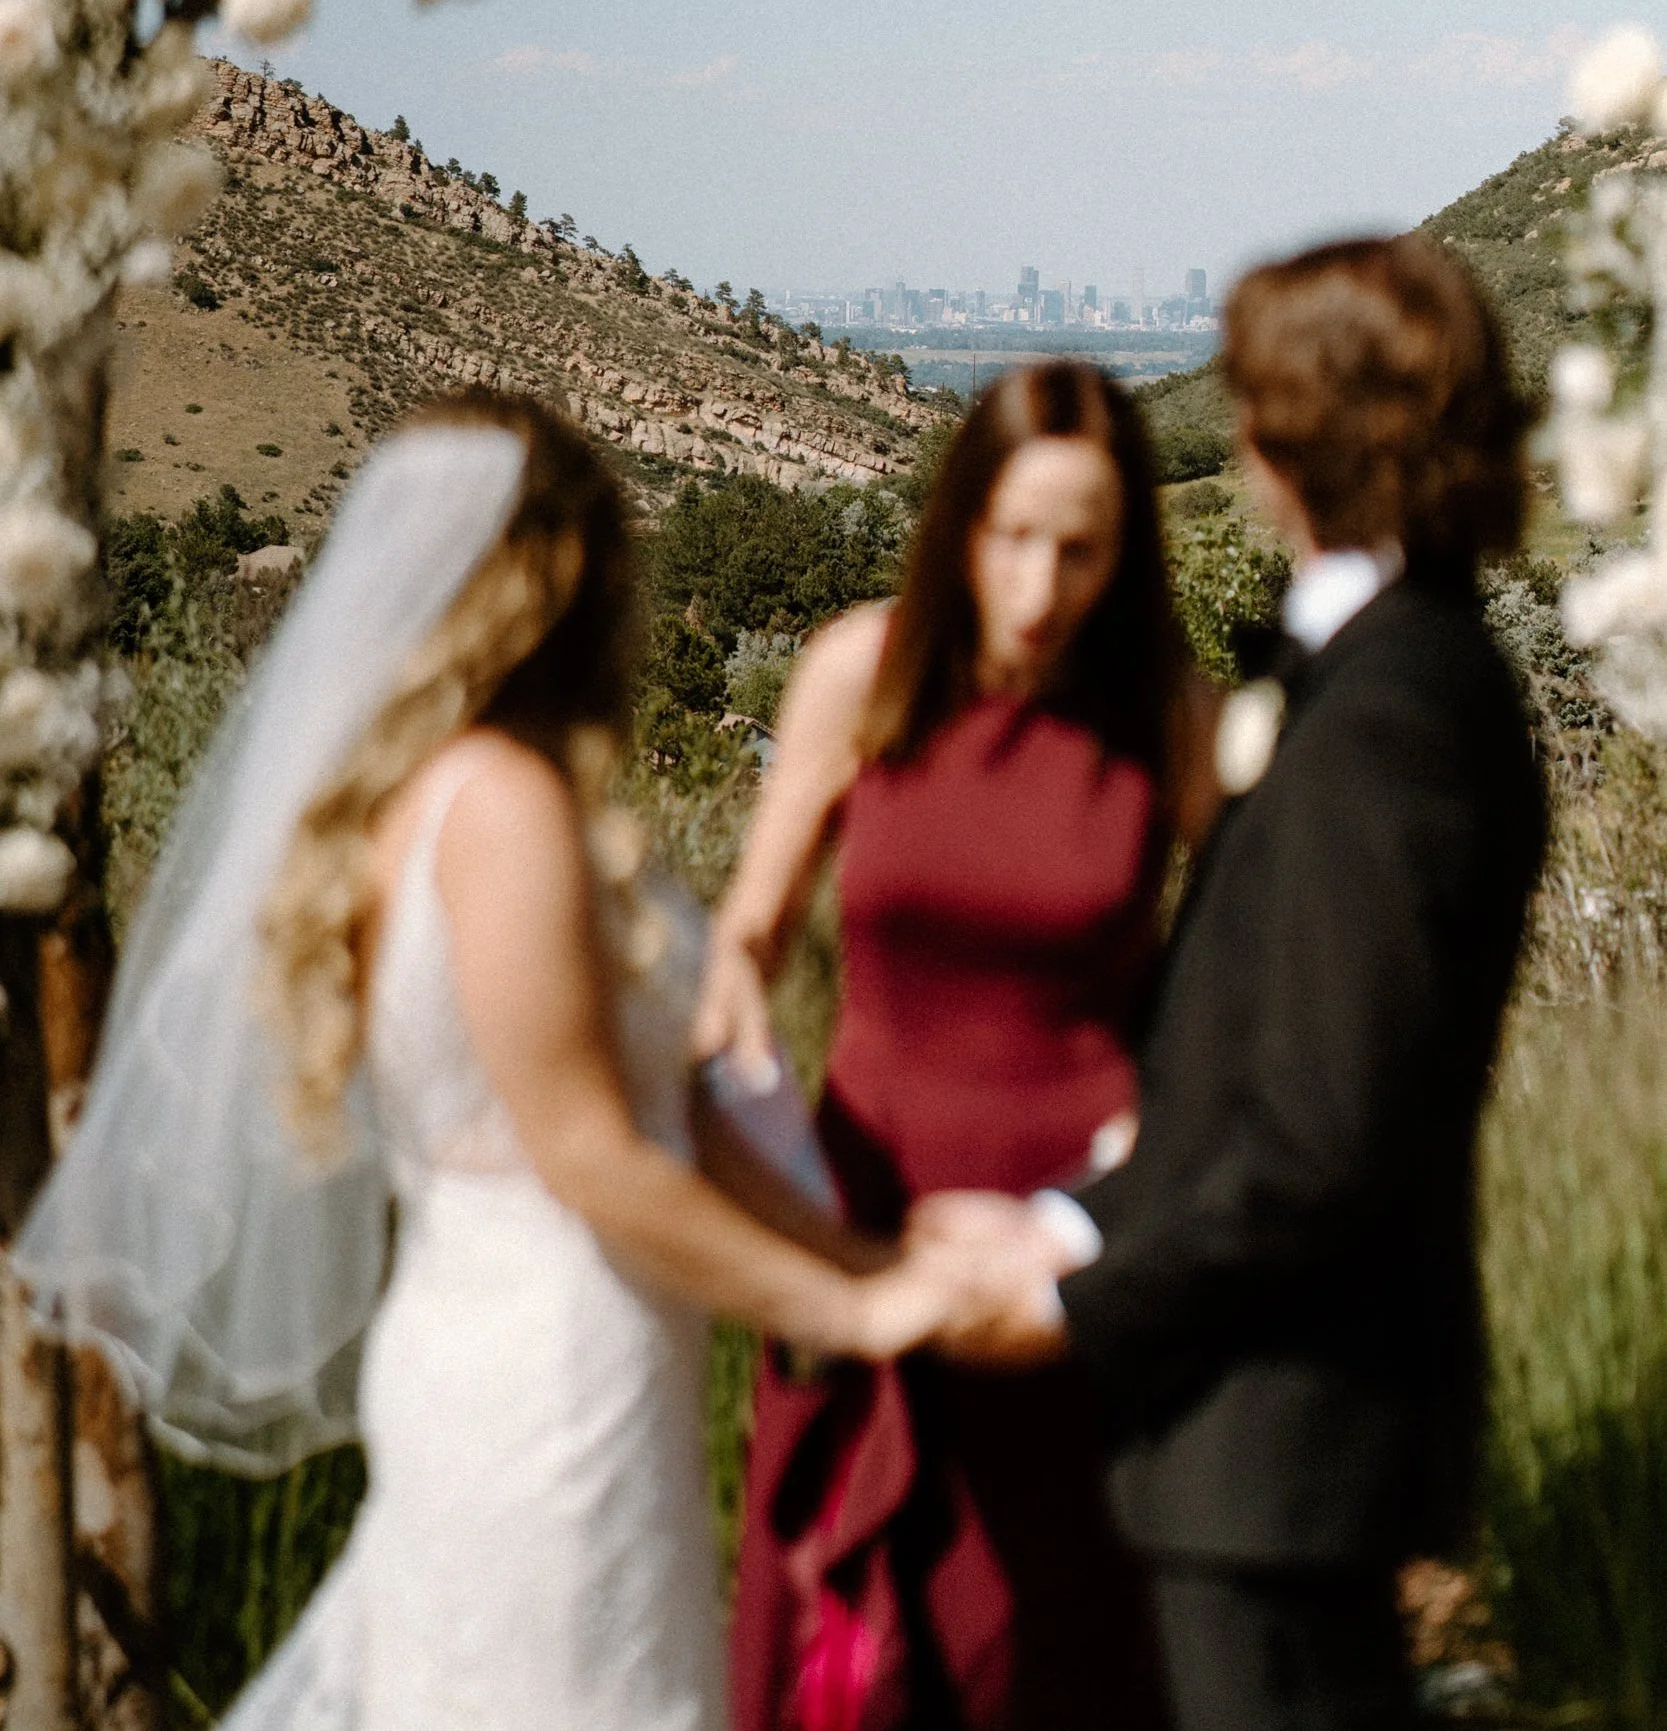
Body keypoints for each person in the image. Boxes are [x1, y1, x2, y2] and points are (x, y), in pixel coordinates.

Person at [17, 390, 982, 1731]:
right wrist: (844, 1313)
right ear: (563, 582)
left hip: (519, 1347)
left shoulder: (419, 802)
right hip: (552, 1373)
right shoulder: (502, 808)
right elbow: (587, 1149)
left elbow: (665, 1114)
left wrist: (868, 1258)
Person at [921, 237, 1545, 1731]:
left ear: (1272, 445)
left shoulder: (1390, 715)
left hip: (1277, 1445)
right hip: (1257, 1449)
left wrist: (1075, 1303)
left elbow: (1316, 1142)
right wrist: (1059, 1218)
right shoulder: (1402, 674)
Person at [694, 359, 1217, 1731]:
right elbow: (751, 923)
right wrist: (729, 995)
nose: (1040, 588)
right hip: (869, 1218)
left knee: (1055, 1647)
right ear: (956, 524)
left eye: (1082, 547)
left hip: (1069, 1253)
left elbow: (1242, 990)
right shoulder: (857, 672)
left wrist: (1142, 1174)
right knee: (855, 1645)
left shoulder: (1169, 709)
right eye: (1010, 538)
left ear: (1128, 547)